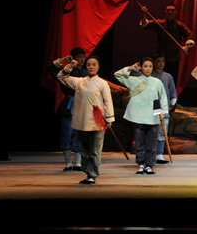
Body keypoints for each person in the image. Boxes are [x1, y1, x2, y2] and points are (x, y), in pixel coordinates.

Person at [55, 55, 114, 185]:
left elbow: (107, 102)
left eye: (94, 64)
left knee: (95, 150)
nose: (91, 67)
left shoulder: (102, 83)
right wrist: (70, 67)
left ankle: (92, 175)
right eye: (88, 64)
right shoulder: (79, 82)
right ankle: (88, 174)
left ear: (98, 67)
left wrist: (109, 118)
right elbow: (61, 77)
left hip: (97, 122)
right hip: (82, 121)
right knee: (83, 150)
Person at [113, 58, 169, 175]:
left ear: (152, 68)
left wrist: (163, 112)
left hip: (152, 115)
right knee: (139, 141)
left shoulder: (157, 82)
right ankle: (141, 164)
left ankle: (150, 165)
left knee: (151, 142)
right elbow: (117, 75)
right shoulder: (133, 80)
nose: (148, 69)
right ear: (141, 68)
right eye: (145, 66)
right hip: (138, 115)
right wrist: (130, 68)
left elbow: (163, 96)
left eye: (150, 66)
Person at [46, 48, 86, 172]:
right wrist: (64, 60)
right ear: (73, 58)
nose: (82, 59)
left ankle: (78, 163)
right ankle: (68, 163)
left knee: (79, 134)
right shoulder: (66, 71)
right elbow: (50, 68)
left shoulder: (86, 72)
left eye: (83, 57)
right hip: (69, 104)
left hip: (82, 104)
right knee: (67, 133)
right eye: (79, 57)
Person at [139, 4, 194, 80]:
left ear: (175, 12)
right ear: (165, 11)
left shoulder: (179, 25)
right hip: (161, 55)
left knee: (172, 78)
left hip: (174, 56)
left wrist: (187, 47)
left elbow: (189, 34)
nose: (170, 12)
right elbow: (145, 24)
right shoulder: (160, 23)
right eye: (168, 10)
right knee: (159, 77)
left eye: (172, 10)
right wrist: (144, 14)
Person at [149, 55, 178, 165]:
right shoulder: (150, 76)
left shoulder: (168, 77)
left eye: (163, 61)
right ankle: (150, 154)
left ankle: (159, 155)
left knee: (162, 132)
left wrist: (172, 105)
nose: (161, 63)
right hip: (151, 108)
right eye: (158, 61)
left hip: (164, 109)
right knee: (151, 132)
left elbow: (172, 92)